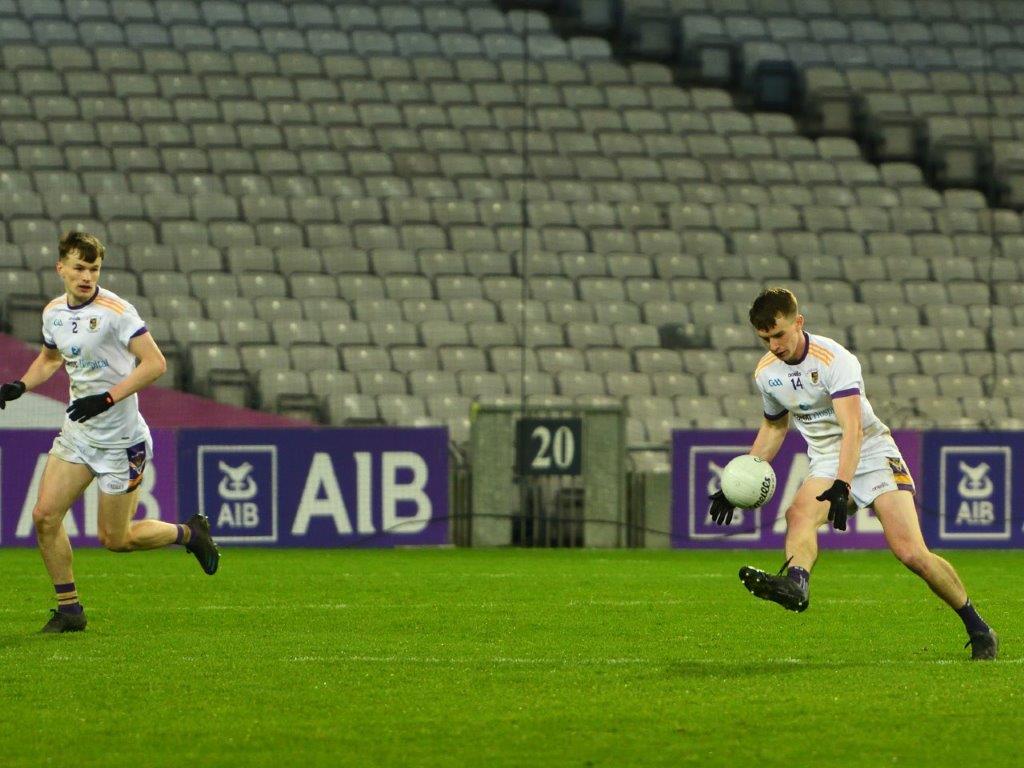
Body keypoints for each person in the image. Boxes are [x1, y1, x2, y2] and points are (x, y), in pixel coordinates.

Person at [708, 287, 997, 660]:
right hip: (828, 459)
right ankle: (797, 585)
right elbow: (774, 427)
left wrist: (843, 484)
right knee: (799, 514)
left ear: (798, 322)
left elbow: (853, 427)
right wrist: (740, 478)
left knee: (911, 553)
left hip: (873, 452)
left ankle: (978, 626)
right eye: (765, 338)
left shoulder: (833, 359)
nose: (774, 345)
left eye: (779, 334)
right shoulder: (767, 373)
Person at [0, 231, 220, 634]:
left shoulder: (117, 311)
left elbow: (155, 363)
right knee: (45, 517)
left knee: (115, 539)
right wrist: (21, 385)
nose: (86, 276)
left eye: (94, 268)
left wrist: (106, 399)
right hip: (78, 435)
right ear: (61, 268)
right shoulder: (53, 313)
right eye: (79, 268)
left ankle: (189, 533)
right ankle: (70, 610)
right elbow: (50, 359)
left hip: (121, 440)